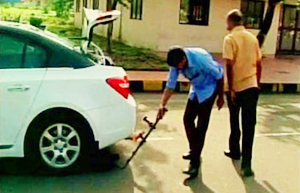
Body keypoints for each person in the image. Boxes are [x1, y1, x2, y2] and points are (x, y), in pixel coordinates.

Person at [157, 46, 224, 178]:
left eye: (180, 66)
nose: (179, 69)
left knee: (201, 125)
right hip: (196, 87)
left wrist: (221, 97)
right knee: (187, 119)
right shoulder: (176, 62)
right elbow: (171, 84)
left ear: (184, 59)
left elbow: (220, 75)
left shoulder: (201, 59)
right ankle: (195, 150)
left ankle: (194, 163)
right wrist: (162, 104)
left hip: (210, 88)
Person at [222, 9, 262, 177]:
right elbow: (259, 64)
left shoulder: (230, 38)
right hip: (251, 86)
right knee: (249, 127)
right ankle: (247, 164)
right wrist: (257, 83)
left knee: (234, 120)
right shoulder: (253, 39)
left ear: (231, 22)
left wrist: (231, 88)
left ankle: (235, 150)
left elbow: (229, 65)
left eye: (227, 22)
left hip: (236, 87)